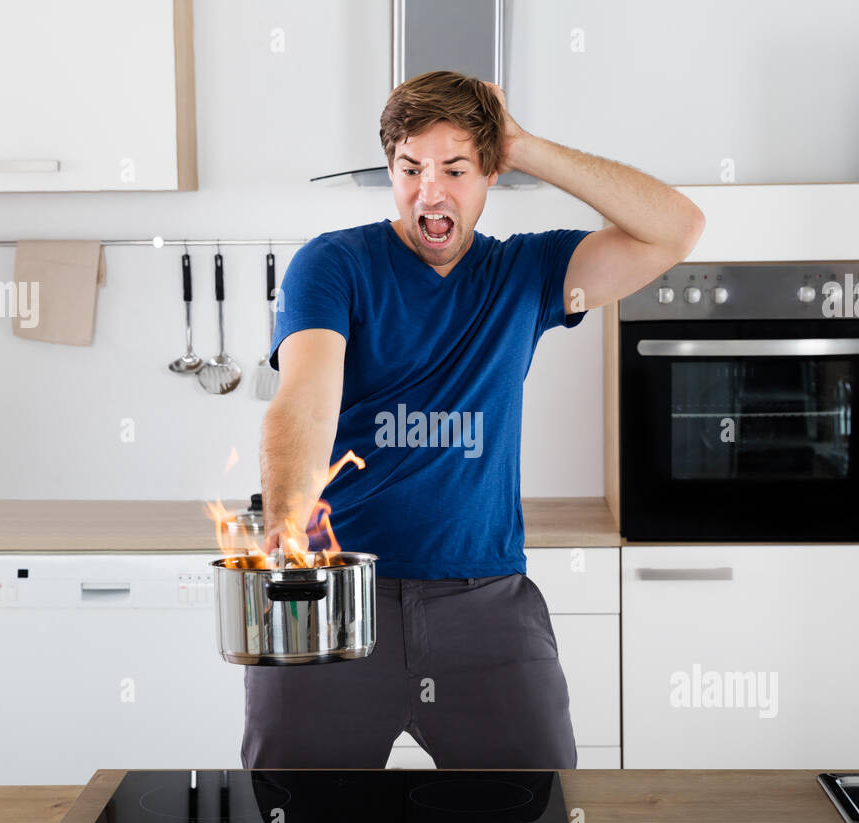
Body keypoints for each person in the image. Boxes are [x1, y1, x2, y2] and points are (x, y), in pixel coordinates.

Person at [244, 70, 704, 770]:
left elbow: (676, 229)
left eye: (456, 169)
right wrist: (284, 529)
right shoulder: (333, 265)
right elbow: (306, 401)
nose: (431, 191)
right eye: (410, 169)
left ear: (492, 170)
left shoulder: (530, 273)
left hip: (486, 607)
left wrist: (526, 145)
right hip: (337, 597)